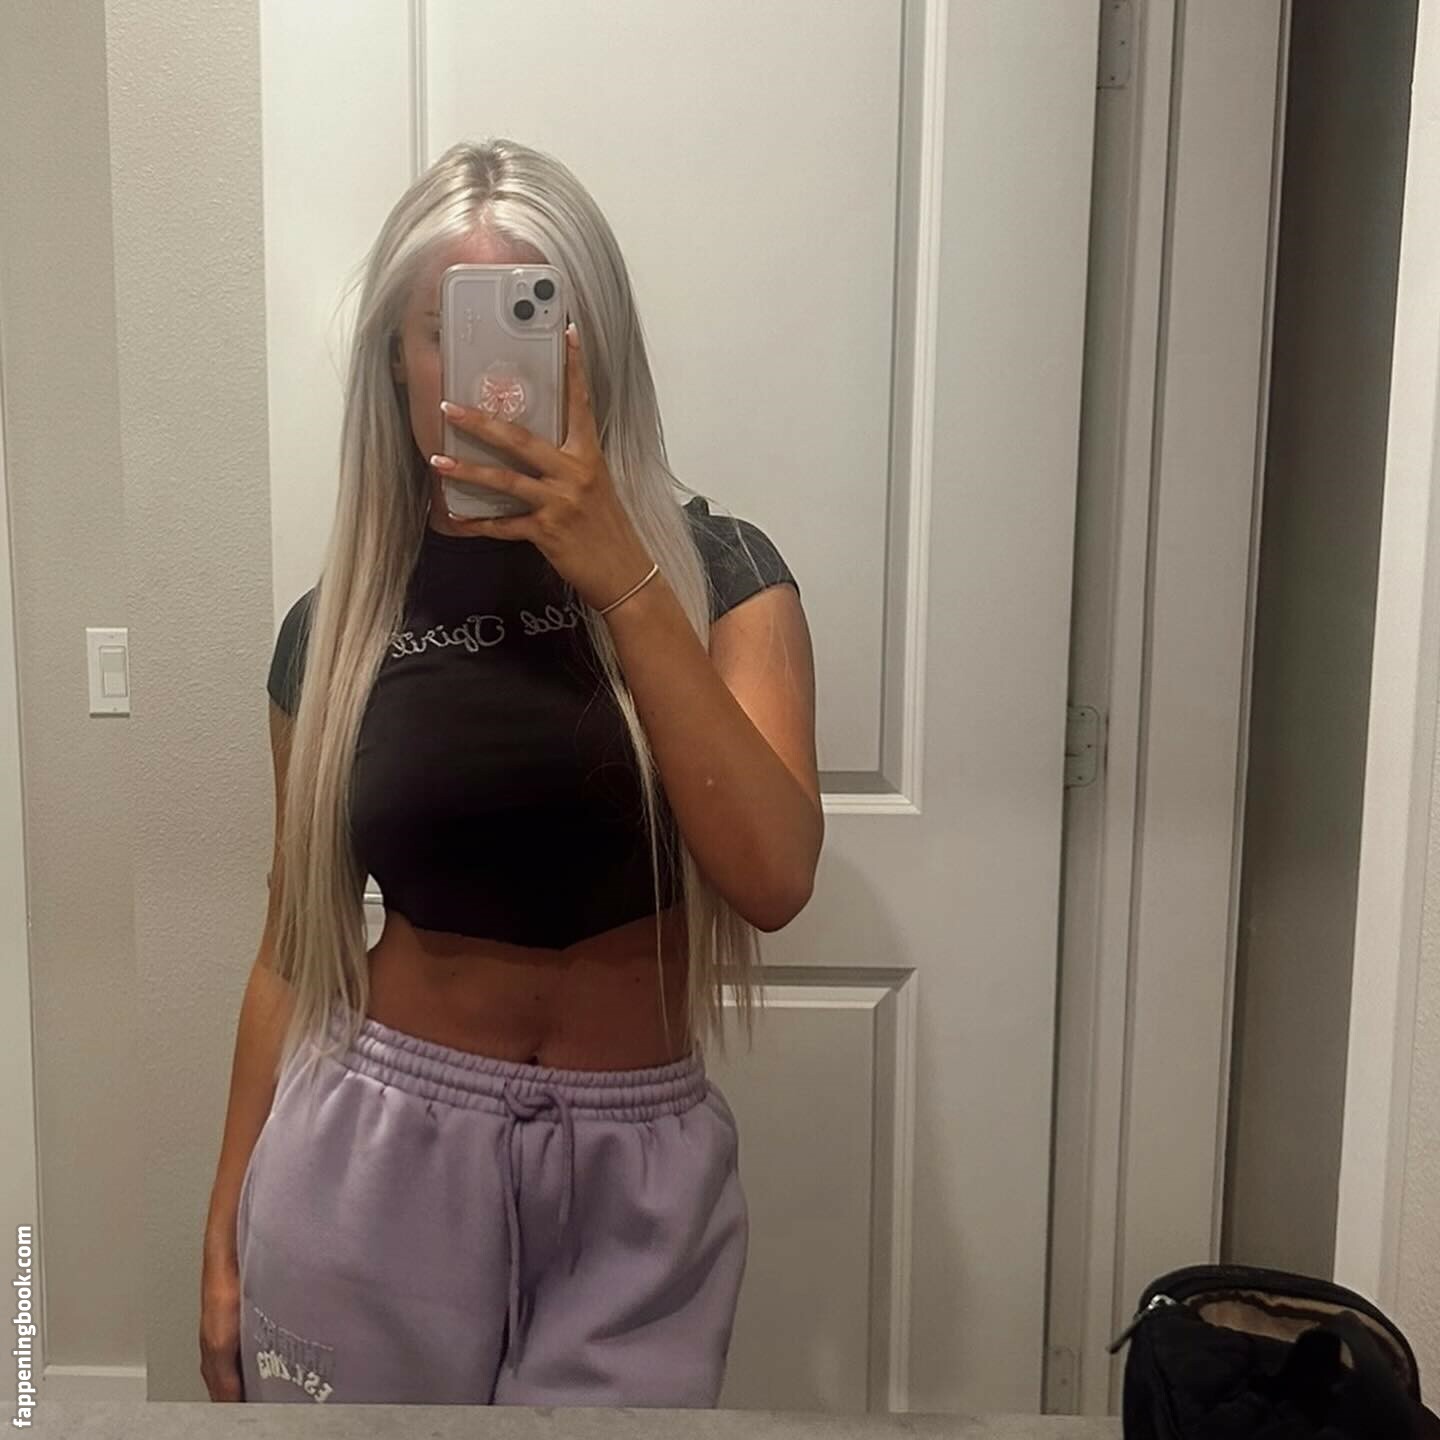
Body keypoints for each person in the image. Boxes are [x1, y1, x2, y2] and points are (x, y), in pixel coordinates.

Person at [198, 137, 823, 1408]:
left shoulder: (722, 578)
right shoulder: (336, 630)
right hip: (373, 1151)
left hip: (635, 1173)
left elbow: (773, 877)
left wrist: (618, 570)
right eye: (446, 327)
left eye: (535, 315)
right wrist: (222, 1225)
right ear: (397, 357)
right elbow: (292, 946)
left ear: (597, 347)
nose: (487, 369)